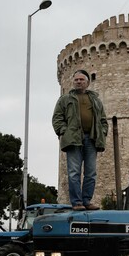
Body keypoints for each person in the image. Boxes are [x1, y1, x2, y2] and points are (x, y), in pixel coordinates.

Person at [52, 70, 108, 211]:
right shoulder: (65, 99)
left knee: (91, 172)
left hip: (92, 138)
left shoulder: (96, 100)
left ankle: (87, 201)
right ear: (73, 81)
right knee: (73, 172)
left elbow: (103, 120)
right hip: (73, 140)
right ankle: (77, 202)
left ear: (87, 82)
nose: (78, 81)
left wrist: (103, 132)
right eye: (76, 79)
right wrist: (64, 132)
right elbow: (57, 118)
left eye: (81, 79)